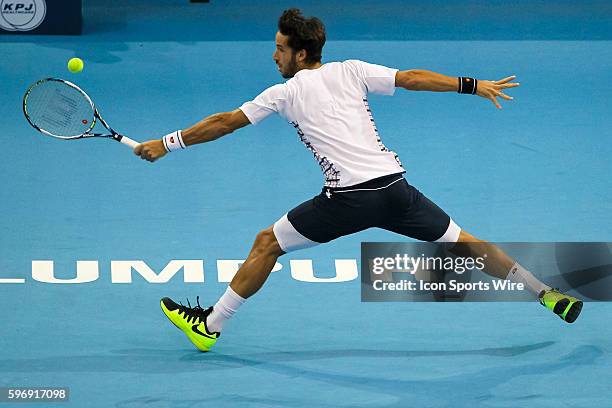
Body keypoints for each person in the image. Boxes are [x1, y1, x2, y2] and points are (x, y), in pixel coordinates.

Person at [134, 8, 582, 352]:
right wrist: (471, 84)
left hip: (348, 199)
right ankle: (546, 294)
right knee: (465, 241)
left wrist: (166, 143)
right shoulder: (351, 70)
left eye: (280, 49)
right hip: (394, 189)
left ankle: (211, 327)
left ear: (301, 54)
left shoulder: (283, 93)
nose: (274, 56)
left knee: (266, 243)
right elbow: (412, 78)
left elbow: (224, 122)